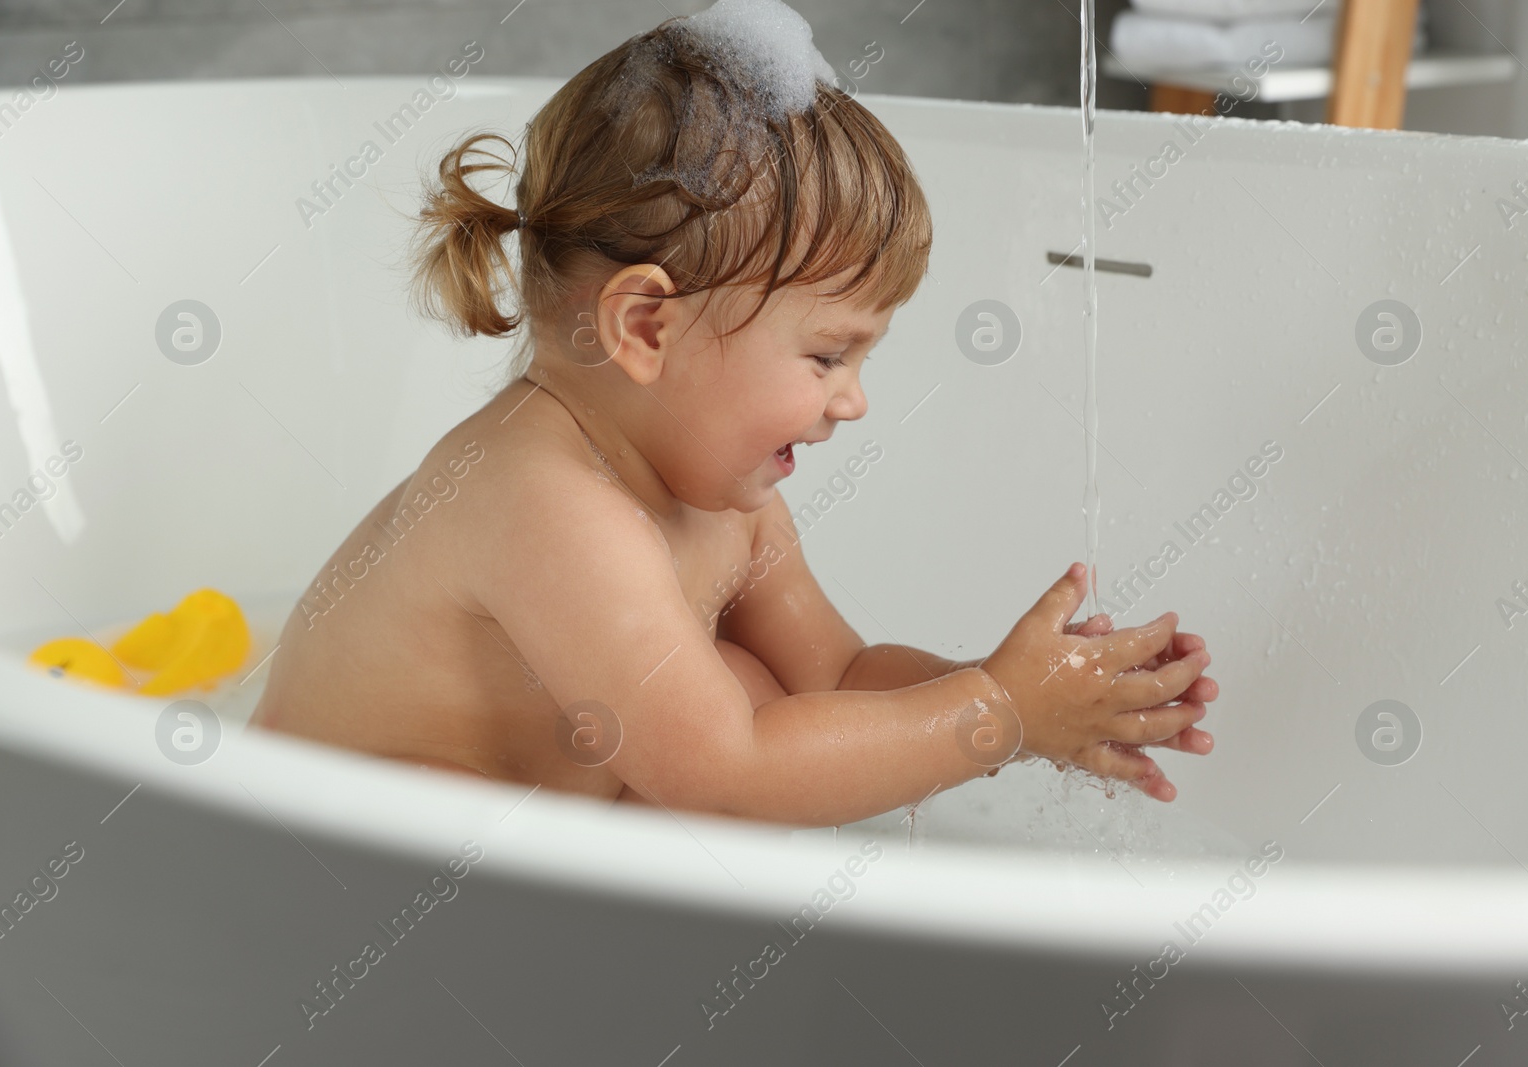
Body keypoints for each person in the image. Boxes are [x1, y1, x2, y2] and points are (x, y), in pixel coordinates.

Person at [248, 6, 1216, 826]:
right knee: (730, 727)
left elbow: (834, 678)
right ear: (644, 327)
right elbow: (729, 763)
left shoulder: (724, 497)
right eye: (828, 355)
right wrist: (996, 710)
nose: (853, 399)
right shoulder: (542, 503)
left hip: (512, 847)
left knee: (755, 685)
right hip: (327, 860)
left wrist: (1033, 695)